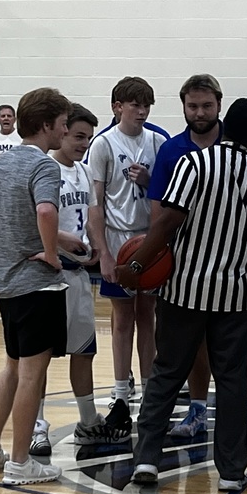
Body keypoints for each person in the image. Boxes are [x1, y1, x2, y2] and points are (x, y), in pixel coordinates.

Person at [117, 98, 247, 492]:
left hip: (185, 290)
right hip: (237, 295)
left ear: (224, 123)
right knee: (233, 381)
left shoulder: (193, 163)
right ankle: (231, 471)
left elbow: (166, 223)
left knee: (166, 374)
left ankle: (147, 460)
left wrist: (135, 266)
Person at [146, 75, 247, 443]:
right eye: (193, 106)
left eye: (207, 106)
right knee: (194, 344)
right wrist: (155, 257)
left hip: (236, 268)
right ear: (183, 106)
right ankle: (197, 409)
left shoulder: (244, 152)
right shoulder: (173, 150)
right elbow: (159, 210)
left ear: (219, 107)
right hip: (186, 267)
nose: (199, 112)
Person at [0, 87, 70, 485]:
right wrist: (52, 254)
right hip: (37, 286)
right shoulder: (45, 166)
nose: (65, 131)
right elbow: (45, 210)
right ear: (46, 125)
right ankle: (21, 463)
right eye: (62, 124)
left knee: (11, 367)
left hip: (6, 285)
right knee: (31, 375)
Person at [28, 103, 130, 456]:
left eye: (88, 137)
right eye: (77, 136)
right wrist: (60, 240)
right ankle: (36, 426)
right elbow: (33, 218)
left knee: (84, 351)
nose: (84, 143)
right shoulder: (44, 168)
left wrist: (100, 248)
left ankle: (88, 422)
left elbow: (92, 216)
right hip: (47, 275)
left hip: (78, 275)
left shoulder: (84, 172)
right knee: (39, 357)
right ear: (61, 131)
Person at [84, 76, 167, 431]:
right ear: (118, 107)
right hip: (118, 241)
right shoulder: (102, 144)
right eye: (135, 104)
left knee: (148, 314)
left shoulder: (159, 142)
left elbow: (168, 195)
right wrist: (103, 252)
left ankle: (149, 389)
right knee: (122, 318)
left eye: (146, 104)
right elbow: (95, 204)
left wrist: (150, 181)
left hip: (150, 240)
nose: (142, 111)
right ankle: (120, 390)